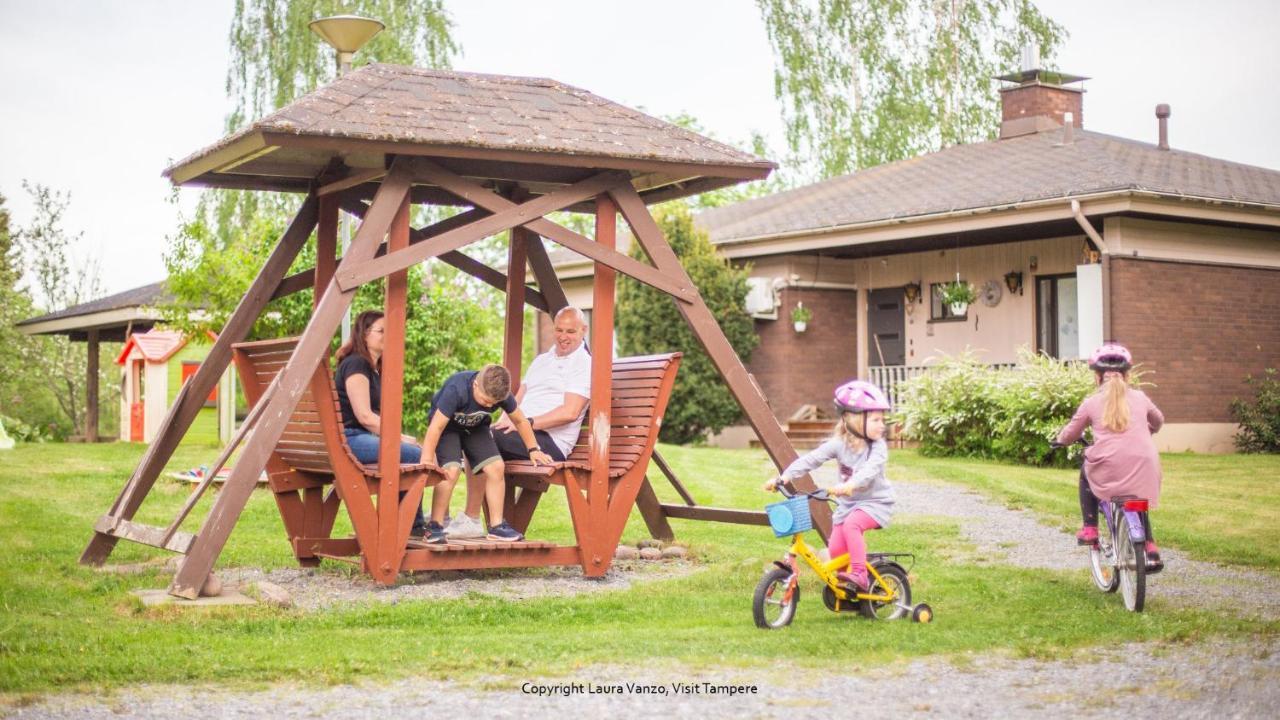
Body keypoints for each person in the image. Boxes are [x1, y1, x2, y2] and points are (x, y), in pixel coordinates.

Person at [762, 380, 895, 593]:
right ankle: (848, 588)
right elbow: (811, 459)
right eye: (876, 419)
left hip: (875, 503)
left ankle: (860, 574)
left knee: (853, 525)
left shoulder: (877, 448)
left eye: (882, 419)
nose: (882, 425)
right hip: (848, 505)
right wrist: (784, 477)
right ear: (851, 419)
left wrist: (851, 484)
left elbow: (870, 471)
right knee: (836, 548)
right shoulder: (838, 445)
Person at [1056, 343, 1166, 572]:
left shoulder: (1092, 402)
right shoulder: (1140, 397)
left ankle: (1090, 528)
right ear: (1128, 375)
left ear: (1097, 377)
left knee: (1087, 470)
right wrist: (1149, 429)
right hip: (1145, 464)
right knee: (1136, 497)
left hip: (1108, 465)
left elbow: (1071, 433)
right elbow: (1159, 420)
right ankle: (1150, 545)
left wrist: (1060, 440)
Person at [420, 364, 552, 543]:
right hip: (448, 428)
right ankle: (435, 525)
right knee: (451, 470)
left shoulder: (500, 393)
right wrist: (427, 460)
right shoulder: (456, 389)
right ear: (475, 384)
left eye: (493, 403)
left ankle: (497, 526)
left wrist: (533, 449)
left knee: (497, 467)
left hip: (476, 427)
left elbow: (520, 421)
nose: (490, 405)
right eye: (485, 401)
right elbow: (436, 427)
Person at [334, 310, 427, 536]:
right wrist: (399, 437)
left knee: (411, 452)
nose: (388, 335)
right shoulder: (357, 364)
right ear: (364, 334)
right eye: (381, 331)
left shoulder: (373, 367)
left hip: (354, 437)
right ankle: (410, 528)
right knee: (414, 454)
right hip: (349, 439)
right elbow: (365, 416)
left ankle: (397, 525)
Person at [492, 306, 591, 463]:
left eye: (570, 332)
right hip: (521, 429)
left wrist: (525, 423)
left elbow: (570, 413)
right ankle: (482, 489)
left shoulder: (584, 363)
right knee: (477, 433)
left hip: (551, 440)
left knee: (484, 439)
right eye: (559, 330)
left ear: (583, 330)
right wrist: (503, 420)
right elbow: (518, 398)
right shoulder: (541, 360)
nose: (563, 337)